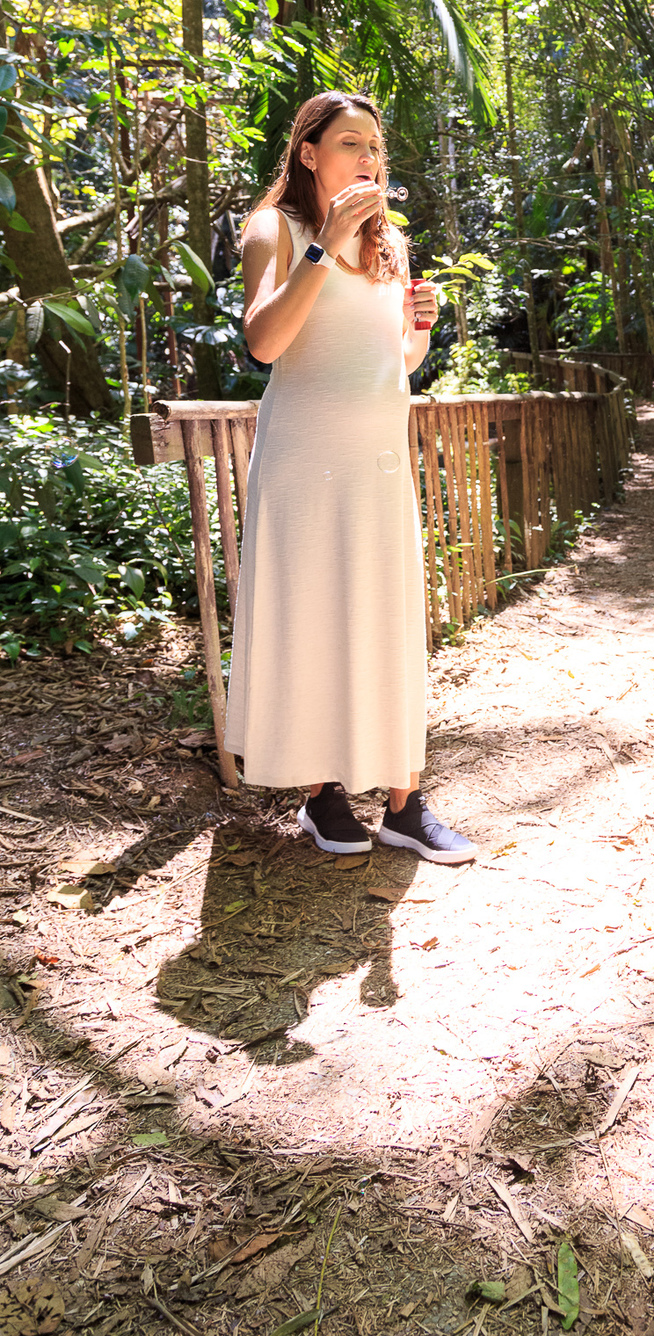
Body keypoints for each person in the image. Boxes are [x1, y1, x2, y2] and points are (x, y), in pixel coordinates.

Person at [224, 90, 475, 864]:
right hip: (303, 458)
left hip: (376, 460)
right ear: (308, 153)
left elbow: (397, 360)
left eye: (375, 147)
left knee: (385, 618)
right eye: (350, 143)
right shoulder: (274, 228)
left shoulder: (388, 239)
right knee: (311, 617)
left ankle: (405, 805)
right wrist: (324, 245)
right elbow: (264, 343)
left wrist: (420, 326)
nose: (369, 158)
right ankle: (320, 794)